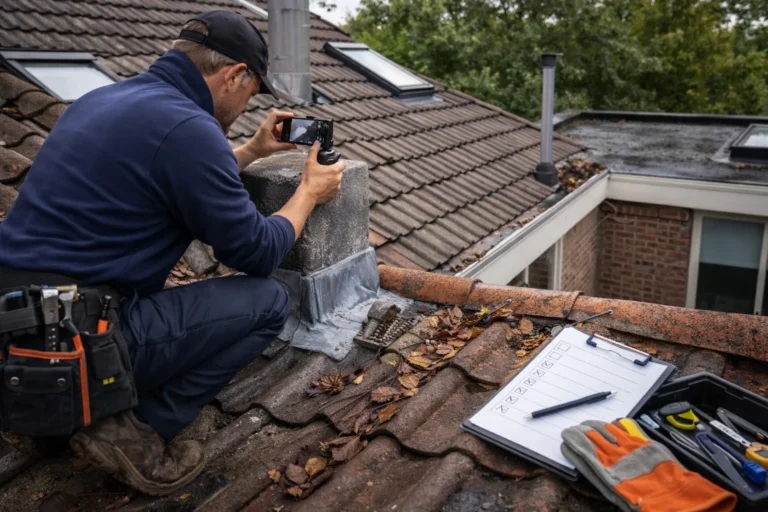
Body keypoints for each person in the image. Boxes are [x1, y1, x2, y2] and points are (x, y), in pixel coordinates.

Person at [0, 10, 345, 495]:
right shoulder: (189, 128)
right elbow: (258, 251)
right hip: (79, 341)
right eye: (251, 92)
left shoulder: (100, 99)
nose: (247, 104)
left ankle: (61, 414)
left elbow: (168, 168)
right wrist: (309, 192)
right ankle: (131, 429)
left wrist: (250, 150)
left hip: (15, 332)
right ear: (235, 75)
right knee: (268, 301)